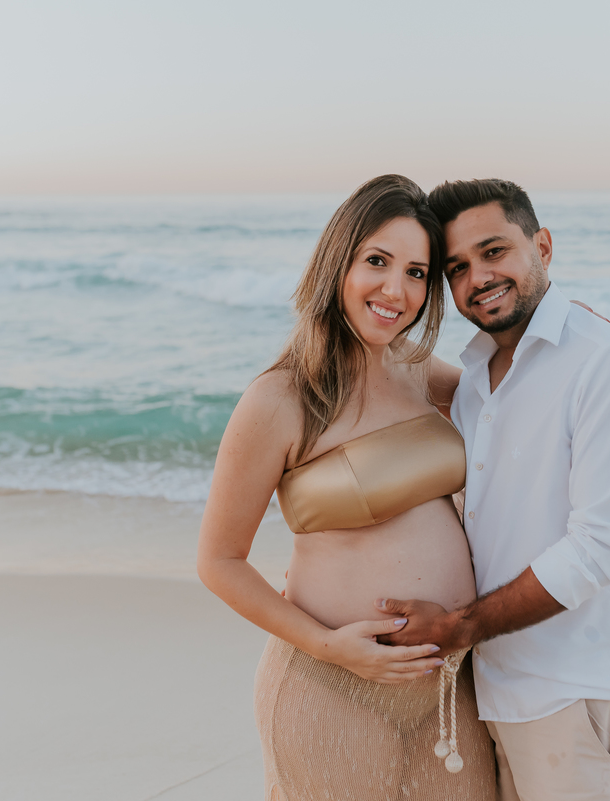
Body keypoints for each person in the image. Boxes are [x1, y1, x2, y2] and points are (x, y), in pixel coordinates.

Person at [196, 175, 498, 801]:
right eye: (377, 262)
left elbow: (518, 393)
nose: (396, 291)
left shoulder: (418, 370)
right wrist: (329, 646)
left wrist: (565, 327)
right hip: (330, 692)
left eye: (417, 273)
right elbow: (219, 561)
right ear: (338, 261)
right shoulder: (279, 399)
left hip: (449, 691)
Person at [379, 179, 610, 801]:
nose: (479, 277)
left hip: (579, 691)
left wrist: (459, 627)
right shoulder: (476, 380)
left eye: (494, 251)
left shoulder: (606, 362)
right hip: (497, 692)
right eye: (457, 268)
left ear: (543, 246)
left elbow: (602, 548)